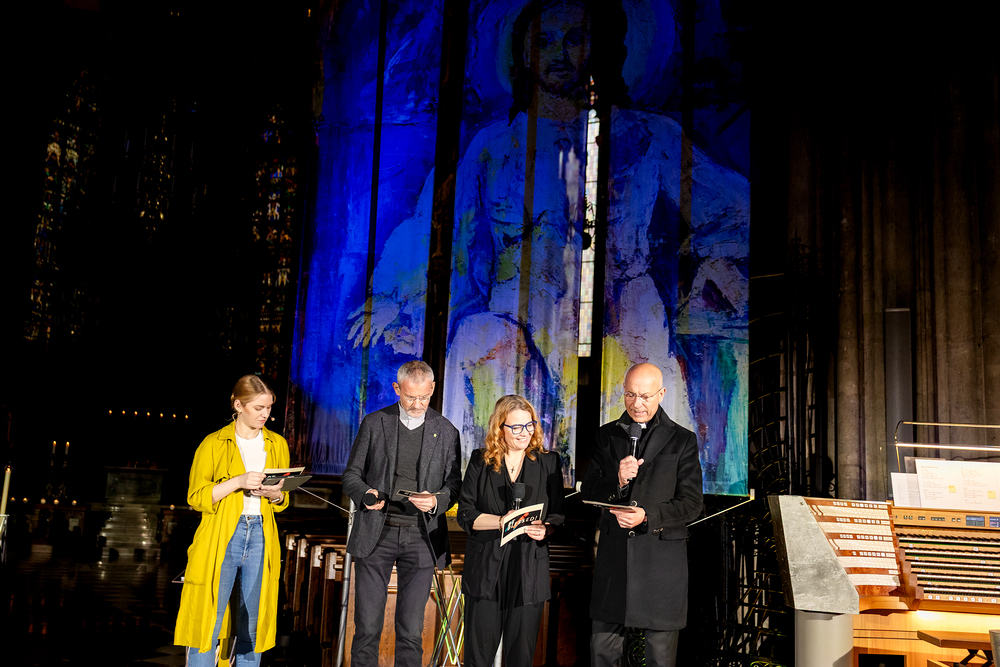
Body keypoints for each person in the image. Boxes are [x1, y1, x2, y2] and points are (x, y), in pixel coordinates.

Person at [581, 363, 704, 667]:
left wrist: (647, 516)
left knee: (660, 657)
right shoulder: (607, 435)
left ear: (661, 394)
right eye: (630, 395)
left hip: (660, 563)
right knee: (602, 651)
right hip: (615, 560)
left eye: (645, 396)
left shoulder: (682, 439)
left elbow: (692, 503)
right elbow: (589, 491)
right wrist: (618, 480)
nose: (637, 404)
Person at [341, 360, 462, 667]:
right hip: (377, 532)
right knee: (367, 627)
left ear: (432, 389)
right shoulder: (375, 423)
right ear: (397, 389)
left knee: (410, 630)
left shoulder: (446, 431)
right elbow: (351, 475)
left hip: (422, 536)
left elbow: (454, 485)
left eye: (424, 397)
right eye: (410, 397)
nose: (417, 404)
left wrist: (435, 501)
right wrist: (366, 494)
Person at [174, 375, 290, 666]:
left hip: (261, 532)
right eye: (258, 408)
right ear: (238, 405)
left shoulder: (277, 443)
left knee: (252, 621)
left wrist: (275, 494)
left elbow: (283, 499)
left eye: (268, 408)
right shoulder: (213, 443)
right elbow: (196, 496)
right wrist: (237, 481)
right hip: (222, 533)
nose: (265, 414)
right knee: (208, 618)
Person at [457, 395, 566, 667]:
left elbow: (558, 515)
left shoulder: (548, 462)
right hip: (485, 570)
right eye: (516, 427)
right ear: (500, 428)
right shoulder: (480, 460)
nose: (524, 433)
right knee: (477, 657)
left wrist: (546, 529)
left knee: (521, 658)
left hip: (528, 570)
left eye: (529, 425)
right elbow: (465, 514)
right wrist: (500, 521)